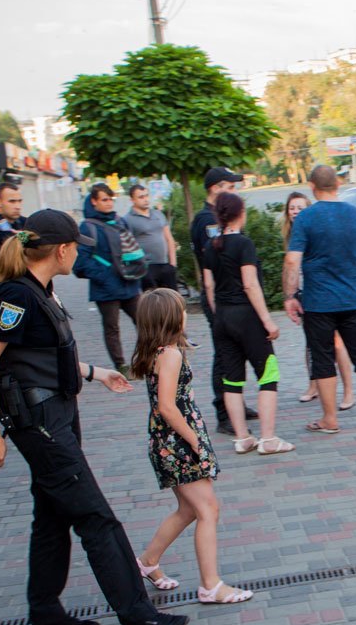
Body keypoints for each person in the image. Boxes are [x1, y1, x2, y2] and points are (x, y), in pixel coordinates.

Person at [0, 209, 188, 625]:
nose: (77, 258)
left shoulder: (39, 291)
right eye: (76, 249)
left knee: (51, 515)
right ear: (63, 249)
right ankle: (139, 617)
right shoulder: (15, 297)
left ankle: (45, 613)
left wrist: (95, 372)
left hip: (55, 414)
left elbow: (41, 356)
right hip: (40, 422)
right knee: (96, 517)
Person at [129, 288, 254, 605]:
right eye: (182, 309)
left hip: (166, 442)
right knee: (208, 509)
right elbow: (168, 407)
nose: (185, 313)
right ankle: (211, 585)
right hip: (179, 442)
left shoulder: (158, 351)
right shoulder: (169, 354)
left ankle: (147, 562)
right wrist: (195, 440)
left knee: (189, 509)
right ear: (171, 318)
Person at [283, 165, 356, 434]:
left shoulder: (306, 218)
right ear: (337, 185)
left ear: (312, 187)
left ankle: (330, 419)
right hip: (355, 299)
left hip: (319, 302)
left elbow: (292, 261)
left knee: (323, 358)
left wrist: (291, 296)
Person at [202, 192, 295, 456]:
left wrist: (219, 312)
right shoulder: (243, 244)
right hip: (247, 318)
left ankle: (242, 437)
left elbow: (208, 285)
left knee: (231, 379)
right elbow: (250, 284)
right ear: (241, 213)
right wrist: (267, 321)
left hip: (223, 318)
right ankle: (268, 439)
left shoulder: (211, 246)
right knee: (268, 374)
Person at [190, 167, 257, 434]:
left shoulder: (215, 218)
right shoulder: (207, 220)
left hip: (227, 298)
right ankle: (224, 413)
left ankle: (236, 404)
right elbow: (218, 262)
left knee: (235, 354)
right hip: (219, 298)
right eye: (230, 187)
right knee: (225, 357)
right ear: (216, 189)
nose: (235, 193)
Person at [280, 191, 356, 409]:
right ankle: (313, 385)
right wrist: (292, 294)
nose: (295, 211)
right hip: (305, 294)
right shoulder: (291, 234)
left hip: (324, 294)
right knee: (311, 342)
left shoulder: (315, 228)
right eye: (292, 208)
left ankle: (348, 390)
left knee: (336, 342)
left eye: (300, 207)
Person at [73, 183, 142, 374]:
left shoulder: (119, 220)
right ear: (94, 201)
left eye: (111, 199)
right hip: (106, 289)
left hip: (129, 283)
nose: (109, 203)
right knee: (112, 328)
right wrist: (106, 275)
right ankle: (121, 365)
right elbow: (81, 264)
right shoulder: (87, 227)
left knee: (144, 321)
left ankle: (146, 359)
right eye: (104, 199)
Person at [123, 185, 179, 292]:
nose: (145, 199)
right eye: (141, 197)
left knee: (173, 301)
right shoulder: (128, 219)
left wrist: (172, 264)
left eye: (146, 196)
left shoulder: (158, 214)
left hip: (165, 265)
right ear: (132, 200)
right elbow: (127, 246)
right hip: (147, 267)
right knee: (153, 303)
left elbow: (169, 239)